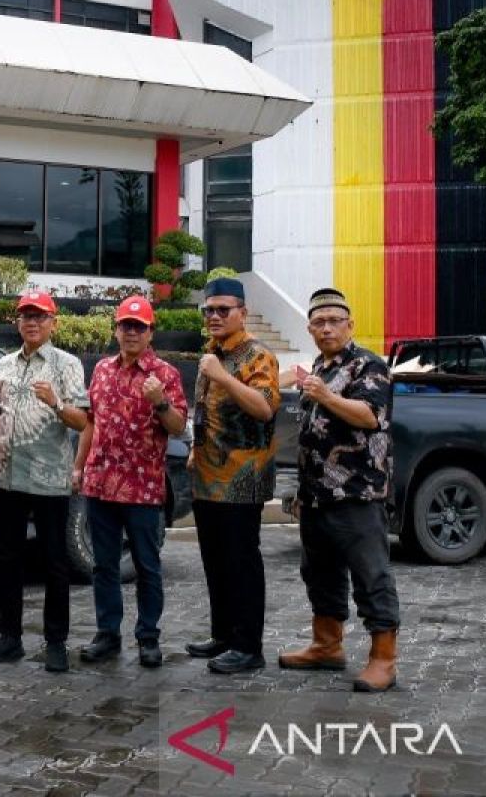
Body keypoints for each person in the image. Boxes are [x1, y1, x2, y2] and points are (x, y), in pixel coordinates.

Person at [278, 287, 401, 692]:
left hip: (358, 494)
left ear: (351, 325)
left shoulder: (369, 365)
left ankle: (384, 658)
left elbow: (368, 416)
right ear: (310, 329)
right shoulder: (320, 365)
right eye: (319, 322)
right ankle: (326, 645)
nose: (327, 328)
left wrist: (326, 395)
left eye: (334, 321)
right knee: (320, 574)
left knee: (371, 575)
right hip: (317, 495)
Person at [0, 291, 89, 673]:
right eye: (26, 316)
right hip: (8, 475)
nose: (32, 323)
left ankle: (55, 641)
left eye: (40, 317)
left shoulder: (67, 364)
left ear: (53, 324)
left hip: (48, 477)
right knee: (8, 560)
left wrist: (56, 403)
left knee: (54, 561)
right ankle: (9, 638)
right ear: (17, 322)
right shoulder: (6, 364)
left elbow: (82, 421)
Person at [74, 296, 186, 668]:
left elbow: (179, 428)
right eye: (126, 326)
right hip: (101, 484)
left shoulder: (164, 375)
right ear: (116, 330)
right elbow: (91, 422)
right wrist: (79, 467)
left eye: (139, 327)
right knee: (103, 566)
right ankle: (107, 633)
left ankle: (148, 636)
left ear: (150, 332)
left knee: (146, 567)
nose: (132, 333)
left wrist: (160, 402)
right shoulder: (103, 369)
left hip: (142, 488)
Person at [186, 277, 280, 675]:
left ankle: (248, 646)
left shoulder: (257, 356)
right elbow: (205, 411)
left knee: (242, 563)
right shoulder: (212, 354)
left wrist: (224, 376)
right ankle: (223, 634)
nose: (215, 316)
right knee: (215, 561)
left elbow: (264, 408)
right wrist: (194, 449)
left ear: (242, 312)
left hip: (243, 480)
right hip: (207, 477)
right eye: (209, 310)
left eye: (223, 310)